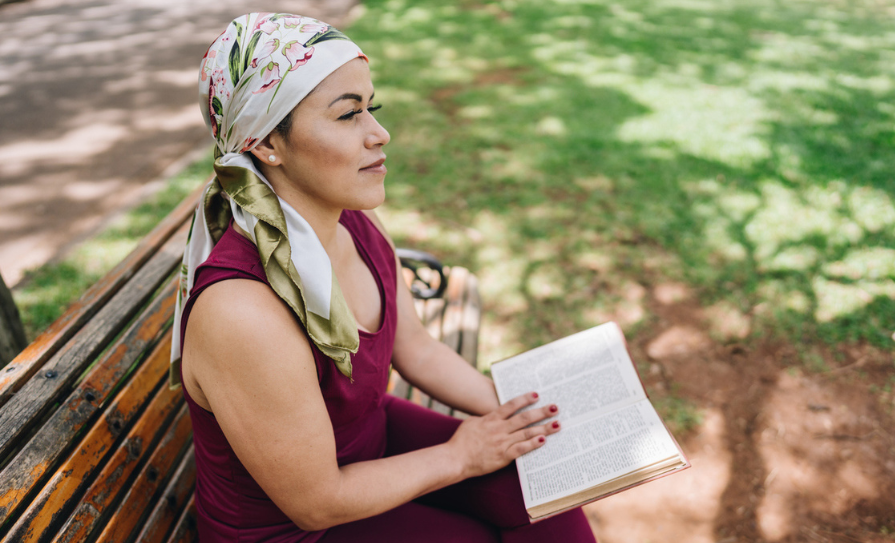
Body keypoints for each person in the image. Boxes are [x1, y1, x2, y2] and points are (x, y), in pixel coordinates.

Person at [170, 13, 597, 542]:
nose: (380, 133)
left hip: (369, 445)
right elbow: (318, 502)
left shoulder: (355, 220)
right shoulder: (243, 311)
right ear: (266, 145)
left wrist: (517, 411)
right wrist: (462, 456)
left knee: (547, 491)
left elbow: (416, 348)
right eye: (348, 115)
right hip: (301, 528)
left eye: (372, 107)